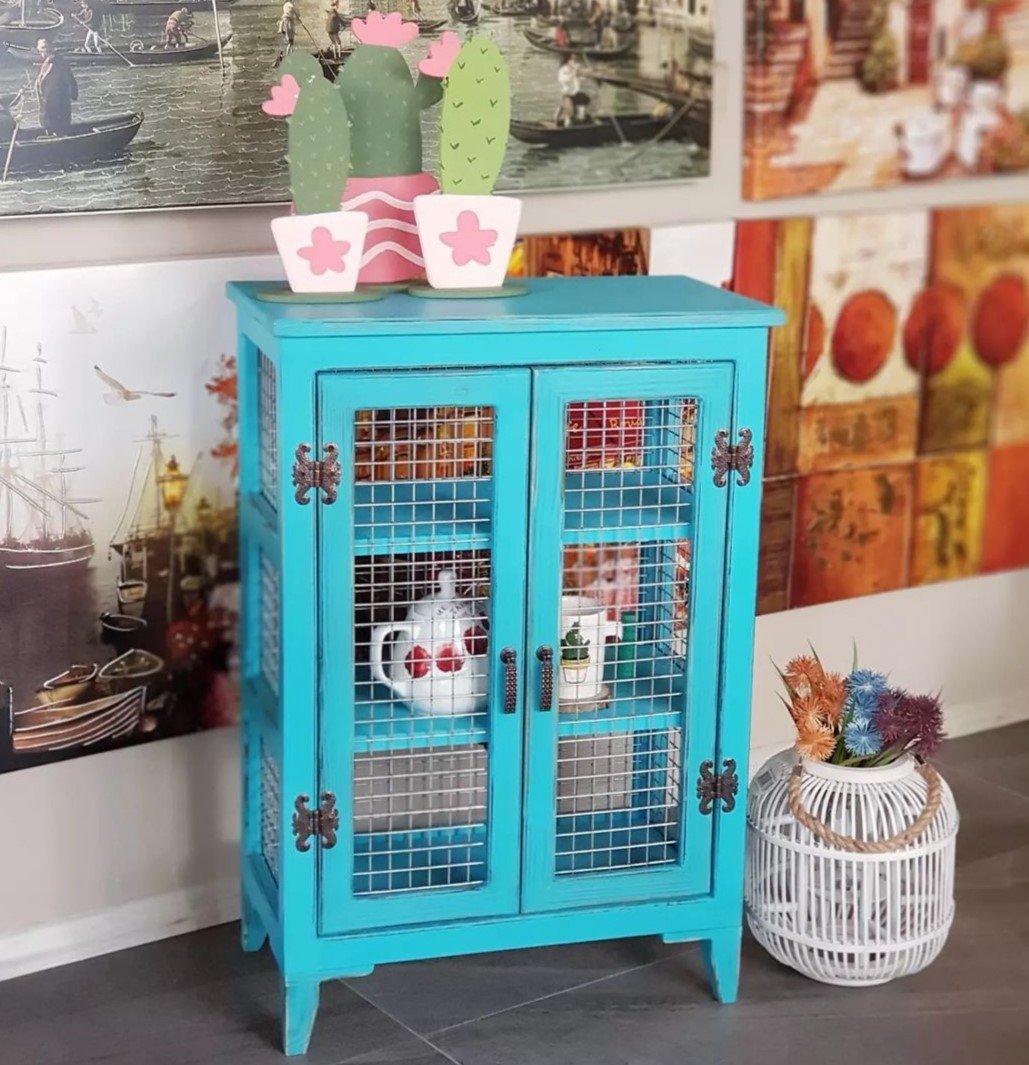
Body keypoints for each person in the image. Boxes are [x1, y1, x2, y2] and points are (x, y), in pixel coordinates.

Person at [34, 39, 78, 136]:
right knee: (48, 120)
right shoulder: (44, 63)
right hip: (47, 102)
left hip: (58, 101)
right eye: (42, 48)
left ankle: (59, 134)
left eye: (46, 48)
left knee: (58, 121)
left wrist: (74, 92)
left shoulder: (59, 61)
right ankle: (51, 132)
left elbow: (69, 77)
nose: (44, 51)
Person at [555, 52, 589, 126]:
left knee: (585, 98)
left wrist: (582, 73)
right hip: (567, 94)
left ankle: (581, 119)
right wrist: (573, 72)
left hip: (576, 93)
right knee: (567, 110)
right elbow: (564, 80)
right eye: (572, 60)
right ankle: (566, 122)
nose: (574, 62)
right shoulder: (563, 70)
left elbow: (583, 78)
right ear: (568, 61)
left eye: (575, 60)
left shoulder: (575, 69)